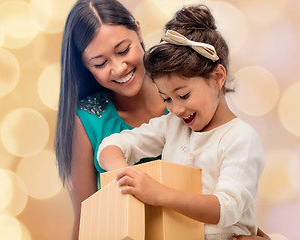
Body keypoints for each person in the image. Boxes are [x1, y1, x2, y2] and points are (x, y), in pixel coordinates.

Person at [56, 0, 270, 239]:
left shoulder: (190, 113)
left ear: (138, 30)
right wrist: (126, 175)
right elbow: (86, 221)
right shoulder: (166, 122)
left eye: (123, 50)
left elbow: (229, 203)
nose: (118, 68)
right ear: (85, 66)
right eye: (101, 63)